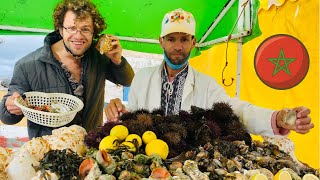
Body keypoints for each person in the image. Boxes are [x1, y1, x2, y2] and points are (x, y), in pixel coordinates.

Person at [104, 8, 314, 137]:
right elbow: (133, 115)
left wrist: (275, 118)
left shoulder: (206, 84)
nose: (178, 46)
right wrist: (118, 113)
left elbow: (236, 110)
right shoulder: (142, 78)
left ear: (193, 42)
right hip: (149, 164)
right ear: (161, 42)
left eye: (184, 39)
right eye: (171, 39)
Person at [0, 0, 134, 138]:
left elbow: (127, 81)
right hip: (50, 154)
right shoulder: (27, 66)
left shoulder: (99, 57)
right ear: (60, 29)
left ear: (94, 32)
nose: (78, 35)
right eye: (71, 28)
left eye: (86, 29)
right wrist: (10, 107)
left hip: (91, 148)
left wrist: (117, 60)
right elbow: (6, 117)